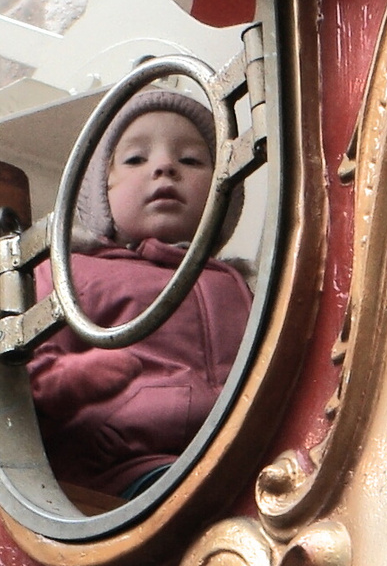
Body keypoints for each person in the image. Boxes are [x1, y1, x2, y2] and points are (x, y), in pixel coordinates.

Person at [28, 89, 251, 500]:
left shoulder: (241, 286)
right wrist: (80, 376)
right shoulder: (72, 272)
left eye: (191, 160)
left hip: (243, 458)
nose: (165, 166)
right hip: (126, 473)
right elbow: (30, 377)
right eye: (135, 159)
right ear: (102, 191)